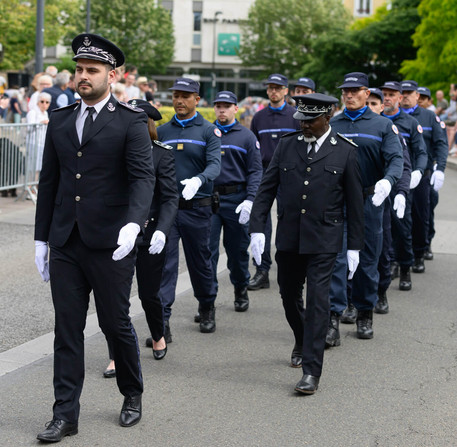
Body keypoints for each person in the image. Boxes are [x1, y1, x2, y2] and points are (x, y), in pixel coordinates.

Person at [34, 33, 155, 442]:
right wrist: (40, 239)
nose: (83, 77)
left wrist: (135, 223)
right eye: (79, 70)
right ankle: (64, 415)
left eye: (92, 70)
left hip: (112, 243)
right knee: (66, 329)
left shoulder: (130, 121)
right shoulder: (61, 119)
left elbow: (143, 178)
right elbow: (49, 182)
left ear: (112, 75)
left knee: (114, 323)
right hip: (66, 241)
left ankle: (132, 393)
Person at [249, 93, 364, 394]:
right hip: (289, 236)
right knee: (288, 295)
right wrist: (257, 229)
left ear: (328, 117)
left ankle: (312, 371)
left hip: (325, 238)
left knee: (317, 302)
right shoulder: (287, 145)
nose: (304, 126)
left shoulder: (346, 152)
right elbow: (266, 188)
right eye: (301, 120)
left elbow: (355, 204)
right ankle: (301, 338)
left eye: (311, 121)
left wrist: (355, 246)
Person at [326, 72, 403, 347]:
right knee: (336, 260)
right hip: (338, 202)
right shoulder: (332, 124)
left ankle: (364, 312)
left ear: (366, 93)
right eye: (345, 90)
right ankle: (333, 317)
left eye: (355, 90)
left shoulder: (382, 125)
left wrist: (388, 181)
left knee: (368, 259)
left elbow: (396, 160)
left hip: (370, 201)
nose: (349, 95)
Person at [104, 99, 179, 378]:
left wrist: (163, 229)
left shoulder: (161, 154)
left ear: (145, 123)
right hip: (119, 233)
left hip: (150, 233)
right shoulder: (114, 152)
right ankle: (116, 355)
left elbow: (170, 197)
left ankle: (158, 334)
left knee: (149, 294)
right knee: (116, 298)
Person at [157, 77, 221, 338]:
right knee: (164, 265)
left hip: (197, 208)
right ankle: (162, 321)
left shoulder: (208, 131)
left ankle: (206, 305)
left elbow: (215, 165)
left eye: (185, 96)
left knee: (200, 263)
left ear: (197, 99)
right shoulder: (162, 132)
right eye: (176, 96)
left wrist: (200, 179)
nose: (179, 101)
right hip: (169, 209)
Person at [208, 91, 262, 313]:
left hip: (236, 199)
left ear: (235, 109)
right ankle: (207, 300)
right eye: (218, 106)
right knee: (206, 252)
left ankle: (240, 288)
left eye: (226, 106)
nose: (222, 109)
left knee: (237, 251)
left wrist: (250, 199)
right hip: (209, 199)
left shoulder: (246, 136)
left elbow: (255, 171)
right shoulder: (207, 132)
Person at [249, 73, 300, 291]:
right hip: (265, 173)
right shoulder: (258, 118)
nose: (273, 92)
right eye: (270, 88)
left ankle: (292, 265)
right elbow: (253, 148)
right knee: (261, 221)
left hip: (291, 174)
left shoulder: (296, 116)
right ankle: (262, 269)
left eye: (278, 88)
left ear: (286, 91)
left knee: (290, 219)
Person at [366, 87, 412, 314]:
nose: (371, 108)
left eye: (375, 104)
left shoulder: (389, 129)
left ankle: (381, 292)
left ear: (382, 108)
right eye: (368, 103)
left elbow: (401, 165)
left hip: (381, 198)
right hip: (353, 198)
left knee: (381, 251)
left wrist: (401, 192)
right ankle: (351, 301)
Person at [379, 81, 427, 293]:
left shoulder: (410, 122)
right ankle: (390, 263)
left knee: (402, 227)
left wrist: (418, 171)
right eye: (384, 95)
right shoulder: (377, 121)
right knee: (383, 228)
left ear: (400, 98)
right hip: (380, 185)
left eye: (392, 95)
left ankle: (406, 267)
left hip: (401, 183)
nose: (387, 98)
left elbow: (421, 151)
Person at [400, 80, 447, 273]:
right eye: (402, 93)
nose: (405, 96)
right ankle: (399, 257)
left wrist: (440, 168)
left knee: (421, 217)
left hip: (423, 175)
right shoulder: (394, 118)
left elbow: (441, 144)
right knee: (400, 219)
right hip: (401, 176)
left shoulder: (429, 117)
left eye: (409, 93)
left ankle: (419, 252)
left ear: (417, 96)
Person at [26, 91, 51, 176]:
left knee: (40, 166)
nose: (44, 104)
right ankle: (29, 187)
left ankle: (35, 186)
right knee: (32, 166)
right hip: (33, 142)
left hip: (42, 142)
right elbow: (29, 127)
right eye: (42, 101)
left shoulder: (46, 113)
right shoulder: (32, 112)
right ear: (38, 102)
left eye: (47, 102)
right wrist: (41, 123)